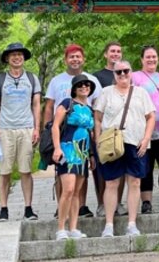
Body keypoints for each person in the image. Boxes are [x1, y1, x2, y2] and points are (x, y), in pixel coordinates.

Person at [94, 60, 155, 237]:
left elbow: (151, 117)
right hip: (112, 142)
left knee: (134, 182)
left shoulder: (141, 93)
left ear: (131, 72)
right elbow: (98, 118)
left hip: (136, 141)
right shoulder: (106, 93)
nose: (122, 75)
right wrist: (98, 139)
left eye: (125, 71)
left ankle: (132, 223)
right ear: (114, 74)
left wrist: (146, 139)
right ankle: (109, 224)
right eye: (118, 72)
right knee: (112, 182)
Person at [44, 44, 101, 218]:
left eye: (78, 56)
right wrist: (46, 127)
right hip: (64, 132)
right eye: (71, 56)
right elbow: (49, 106)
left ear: (83, 59)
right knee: (63, 173)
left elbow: (98, 106)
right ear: (65, 60)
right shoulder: (56, 80)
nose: (75, 59)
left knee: (81, 171)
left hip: (85, 131)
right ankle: (61, 206)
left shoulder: (92, 80)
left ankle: (81, 206)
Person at [0, 42, 41, 222]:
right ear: (7, 58)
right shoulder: (0, 80)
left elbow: (36, 105)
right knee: (5, 171)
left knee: (26, 170)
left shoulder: (32, 79)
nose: (16, 57)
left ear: (24, 57)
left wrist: (37, 128)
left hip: (26, 128)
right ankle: (3, 209)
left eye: (19, 54)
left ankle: (28, 208)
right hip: (5, 129)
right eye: (13, 55)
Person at [131, 45, 159, 214]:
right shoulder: (135, 77)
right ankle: (146, 203)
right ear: (142, 59)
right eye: (148, 57)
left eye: (154, 57)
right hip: (142, 133)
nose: (151, 59)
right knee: (146, 168)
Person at [52, 74, 96, 240]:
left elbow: (90, 133)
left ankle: (74, 227)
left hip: (83, 152)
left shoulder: (90, 109)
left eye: (86, 85)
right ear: (74, 89)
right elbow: (55, 126)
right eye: (80, 85)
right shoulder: (67, 104)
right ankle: (61, 228)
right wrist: (57, 148)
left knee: (77, 192)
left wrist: (92, 154)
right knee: (68, 189)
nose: (84, 87)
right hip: (67, 149)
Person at [92, 41, 124, 216]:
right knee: (103, 169)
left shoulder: (126, 73)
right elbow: (95, 104)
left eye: (118, 51)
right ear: (106, 54)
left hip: (123, 128)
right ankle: (101, 204)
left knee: (122, 169)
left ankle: (118, 203)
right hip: (105, 129)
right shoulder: (97, 77)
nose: (115, 54)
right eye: (112, 51)